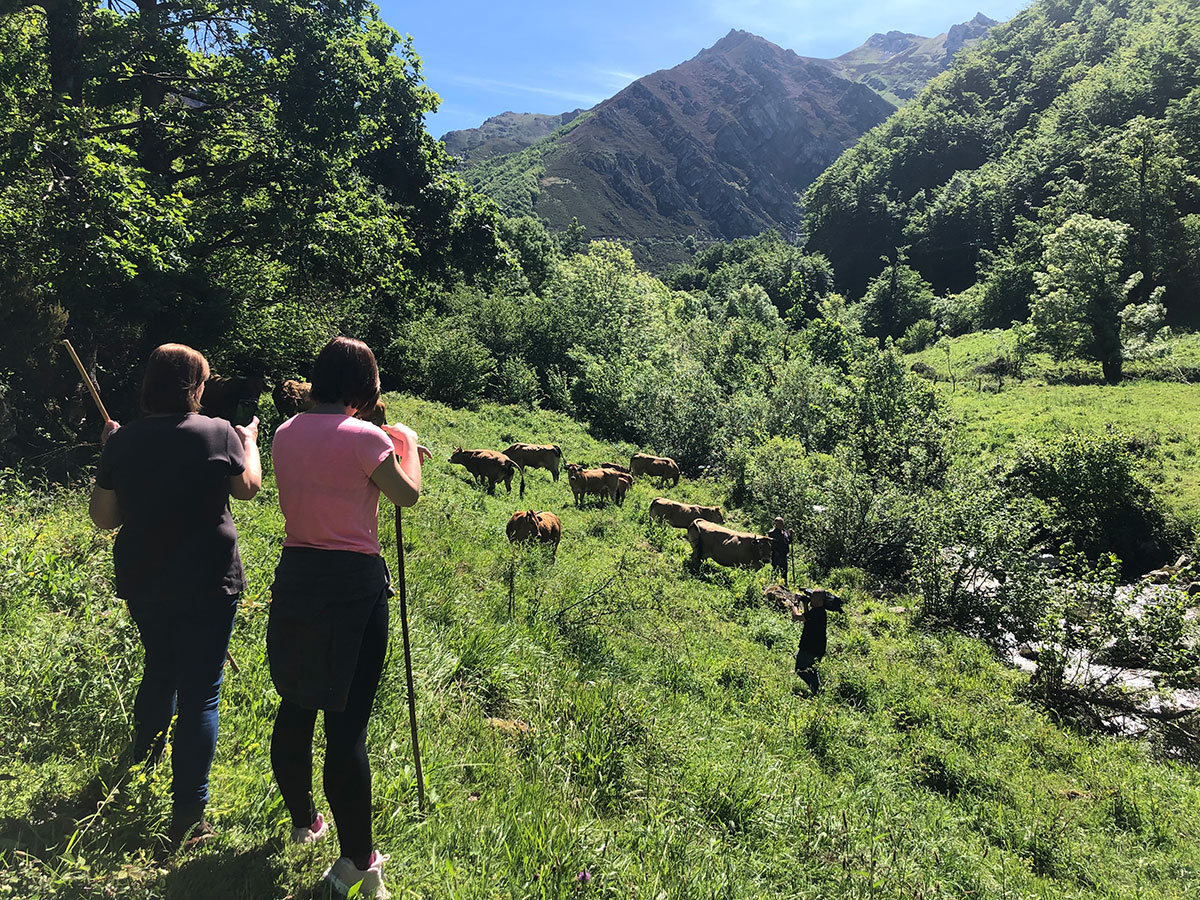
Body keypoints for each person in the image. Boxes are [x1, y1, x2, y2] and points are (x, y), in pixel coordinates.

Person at [268, 336, 428, 900]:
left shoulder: (285, 433)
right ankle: (358, 862)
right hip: (352, 588)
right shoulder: (365, 438)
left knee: (296, 703)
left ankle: (304, 819)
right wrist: (405, 445)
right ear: (364, 386)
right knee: (347, 726)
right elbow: (406, 496)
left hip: (295, 574)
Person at [89, 343, 262, 847]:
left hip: (146, 578)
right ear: (193, 388)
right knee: (201, 692)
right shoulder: (217, 431)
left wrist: (113, 453)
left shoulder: (125, 441)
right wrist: (249, 440)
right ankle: (188, 814)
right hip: (211, 579)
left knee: (160, 668)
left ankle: (141, 766)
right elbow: (247, 488)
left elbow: (105, 519)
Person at [792, 591, 832, 694]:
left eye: (812, 597)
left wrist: (795, 603)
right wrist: (805, 604)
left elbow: (796, 616)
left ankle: (817, 690)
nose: (810, 599)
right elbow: (807, 619)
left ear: (819, 601)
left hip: (810, 648)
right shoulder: (819, 611)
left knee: (800, 669)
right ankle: (818, 691)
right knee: (812, 670)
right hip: (817, 648)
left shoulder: (817, 613)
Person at [767, 516, 792, 584]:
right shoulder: (772, 533)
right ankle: (772, 584)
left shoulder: (785, 532)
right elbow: (770, 544)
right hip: (776, 555)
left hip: (784, 555)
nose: (782, 524)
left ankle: (784, 585)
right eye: (780, 523)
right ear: (776, 524)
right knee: (775, 571)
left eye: (782, 523)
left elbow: (789, 542)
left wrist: (791, 535)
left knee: (784, 572)